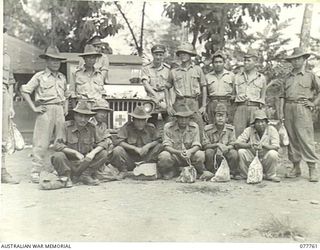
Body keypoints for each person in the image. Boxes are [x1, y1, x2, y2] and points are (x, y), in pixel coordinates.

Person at [21, 46, 69, 183]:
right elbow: (25, 91)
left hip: (59, 110)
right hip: (45, 110)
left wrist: (65, 107)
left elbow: (66, 94)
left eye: (58, 61)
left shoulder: (62, 77)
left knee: (60, 141)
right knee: (41, 142)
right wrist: (34, 108)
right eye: (52, 60)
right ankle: (36, 171)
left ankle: (56, 169)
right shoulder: (39, 76)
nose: (56, 63)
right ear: (46, 61)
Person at [279, 47, 320, 182]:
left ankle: (312, 168)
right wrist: (280, 113)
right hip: (288, 107)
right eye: (294, 59)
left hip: (303, 108)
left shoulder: (310, 75)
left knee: (306, 138)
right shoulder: (287, 77)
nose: (296, 61)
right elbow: (281, 96)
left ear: (304, 60)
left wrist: (313, 103)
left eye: (299, 59)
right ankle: (296, 167)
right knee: (291, 139)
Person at [51, 101, 113, 186]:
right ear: (75, 116)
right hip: (69, 162)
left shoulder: (92, 127)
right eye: (80, 116)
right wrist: (74, 152)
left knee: (103, 153)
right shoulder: (65, 126)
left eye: (86, 117)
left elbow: (104, 142)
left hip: (85, 162)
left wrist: (92, 153)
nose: (83, 119)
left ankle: (85, 175)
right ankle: (67, 177)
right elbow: (57, 145)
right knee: (58, 156)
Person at [165, 42, 207, 141]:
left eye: (185, 53)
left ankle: (198, 152)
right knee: (174, 126)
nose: (183, 55)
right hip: (179, 103)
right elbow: (166, 87)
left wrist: (204, 105)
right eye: (181, 53)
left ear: (190, 55)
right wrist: (169, 105)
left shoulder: (197, 70)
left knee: (198, 127)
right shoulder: (174, 72)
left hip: (193, 102)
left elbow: (204, 87)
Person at [157, 103, 210, 180]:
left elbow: (197, 144)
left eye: (186, 118)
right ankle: (170, 171)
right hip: (175, 155)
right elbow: (166, 146)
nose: (183, 120)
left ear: (189, 118)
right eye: (181, 118)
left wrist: (190, 152)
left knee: (200, 155)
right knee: (164, 156)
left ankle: (195, 171)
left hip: (189, 156)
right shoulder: (168, 127)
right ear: (176, 118)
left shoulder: (194, 127)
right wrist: (178, 152)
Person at [111, 106, 163, 178]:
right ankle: (123, 170)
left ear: (146, 120)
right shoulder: (127, 127)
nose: (140, 123)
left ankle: (153, 169)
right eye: (138, 120)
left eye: (143, 120)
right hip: (130, 159)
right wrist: (134, 148)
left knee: (160, 146)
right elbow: (119, 141)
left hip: (146, 158)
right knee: (117, 150)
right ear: (133, 120)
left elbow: (158, 140)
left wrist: (148, 146)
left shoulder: (150, 127)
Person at [233, 110, 281, 182]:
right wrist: (249, 145)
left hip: (265, 159)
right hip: (252, 158)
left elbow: (276, 147)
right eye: (258, 122)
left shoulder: (272, 130)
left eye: (262, 122)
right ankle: (246, 175)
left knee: (273, 153)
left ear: (266, 122)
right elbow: (237, 143)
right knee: (241, 151)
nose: (260, 124)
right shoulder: (249, 130)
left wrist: (264, 145)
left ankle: (271, 175)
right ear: (254, 123)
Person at [233, 49, 267, 137]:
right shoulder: (237, 77)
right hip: (241, 108)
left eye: (248, 60)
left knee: (255, 134)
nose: (245, 63)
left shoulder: (261, 78)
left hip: (255, 108)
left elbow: (262, 97)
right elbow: (233, 95)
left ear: (255, 62)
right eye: (244, 60)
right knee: (238, 133)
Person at [202, 103, 240, 180]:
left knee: (234, 153)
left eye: (222, 116)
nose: (220, 118)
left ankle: (232, 172)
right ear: (214, 118)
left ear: (226, 118)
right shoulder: (207, 129)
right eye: (218, 115)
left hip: (225, 153)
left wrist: (227, 147)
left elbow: (233, 143)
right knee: (208, 151)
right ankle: (211, 172)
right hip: (214, 154)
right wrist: (217, 145)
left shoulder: (231, 129)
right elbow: (205, 145)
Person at [1, 27, 19, 184]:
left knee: (3, 135)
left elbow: (11, 82)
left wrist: (11, 105)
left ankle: (2, 170)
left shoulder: (7, 58)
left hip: (4, 95)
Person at [141, 44, 171, 125]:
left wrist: (164, 98)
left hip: (165, 97)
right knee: (150, 123)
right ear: (152, 54)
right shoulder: (146, 68)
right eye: (156, 54)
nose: (158, 57)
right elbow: (145, 83)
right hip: (151, 98)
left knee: (169, 122)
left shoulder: (167, 69)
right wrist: (155, 95)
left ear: (163, 55)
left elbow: (170, 85)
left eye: (160, 55)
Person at [206, 50, 235, 124]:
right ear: (212, 64)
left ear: (224, 63)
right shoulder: (208, 76)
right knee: (211, 126)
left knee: (227, 126)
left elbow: (235, 93)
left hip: (226, 103)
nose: (218, 64)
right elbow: (205, 95)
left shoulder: (231, 76)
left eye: (220, 62)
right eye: (216, 62)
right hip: (212, 104)